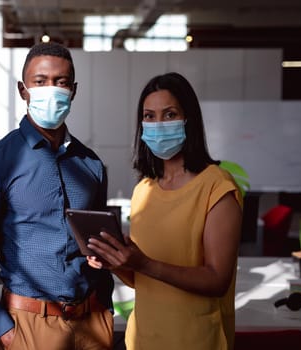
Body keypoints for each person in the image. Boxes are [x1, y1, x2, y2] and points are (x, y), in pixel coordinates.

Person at [0, 42, 114, 350]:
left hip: (91, 322)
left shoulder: (90, 164)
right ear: (23, 90)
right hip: (29, 326)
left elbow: (100, 242)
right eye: (40, 82)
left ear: (74, 90)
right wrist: (4, 330)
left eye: (61, 82)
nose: (51, 90)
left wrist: (105, 305)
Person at [86, 72, 243, 350]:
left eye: (169, 114)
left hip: (196, 341)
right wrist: (115, 261)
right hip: (142, 339)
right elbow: (142, 279)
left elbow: (217, 279)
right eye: (149, 116)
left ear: (189, 119)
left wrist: (144, 263)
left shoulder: (217, 186)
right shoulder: (143, 190)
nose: (158, 124)